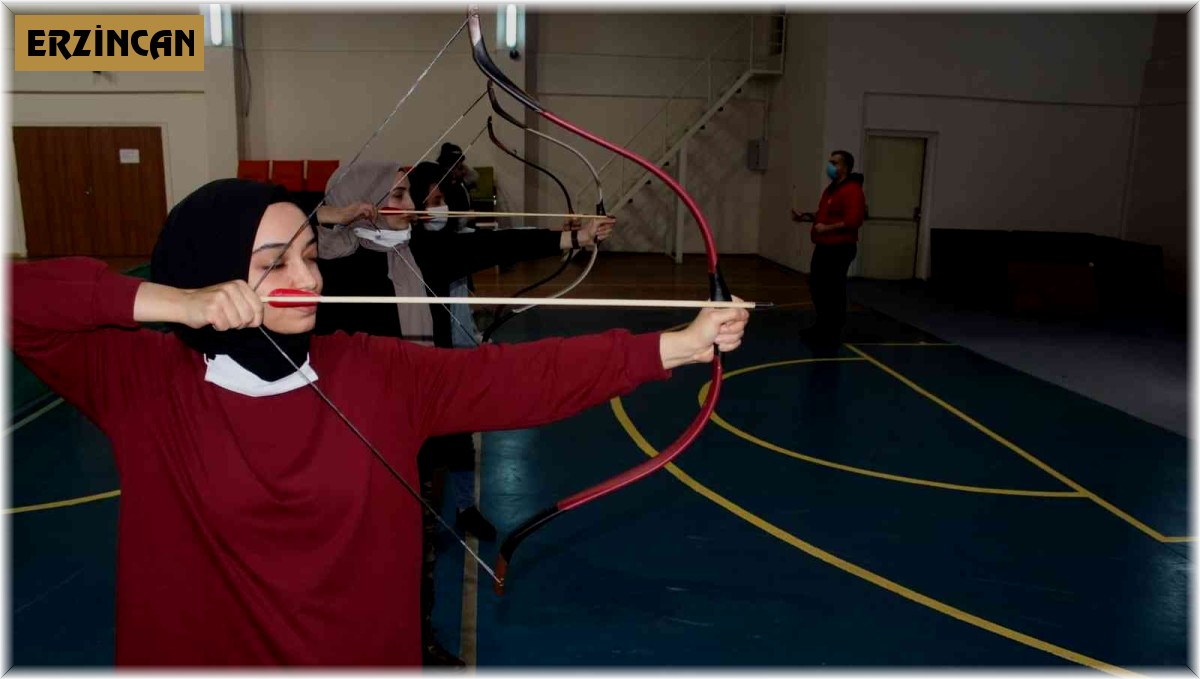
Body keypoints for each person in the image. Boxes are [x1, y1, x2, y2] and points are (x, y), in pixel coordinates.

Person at [10, 178, 746, 666]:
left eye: (309, 255)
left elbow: (518, 376)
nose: (308, 279)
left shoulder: (371, 371)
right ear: (212, 272)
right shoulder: (140, 381)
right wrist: (173, 302)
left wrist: (675, 345)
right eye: (275, 263)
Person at [313, 160, 613, 665]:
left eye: (409, 194)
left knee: (417, 541)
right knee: (357, 544)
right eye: (399, 195)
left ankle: (416, 638)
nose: (412, 206)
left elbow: (490, 246)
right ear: (362, 201)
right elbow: (258, 218)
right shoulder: (332, 264)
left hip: (419, 417)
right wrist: (326, 215)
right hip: (356, 428)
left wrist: (573, 238)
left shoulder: (421, 250)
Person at [792, 149, 865, 354]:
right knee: (818, 286)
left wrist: (827, 228)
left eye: (834, 163)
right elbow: (824, 214)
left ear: (845, 167)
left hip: (840, 247)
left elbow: (853, 221)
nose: (830, 166)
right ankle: (821, 325)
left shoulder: (852, 190)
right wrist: (805, 216)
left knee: (833, 290)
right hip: (824, 246)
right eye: (830, 162)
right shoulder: (831, 189)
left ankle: (832, 331)